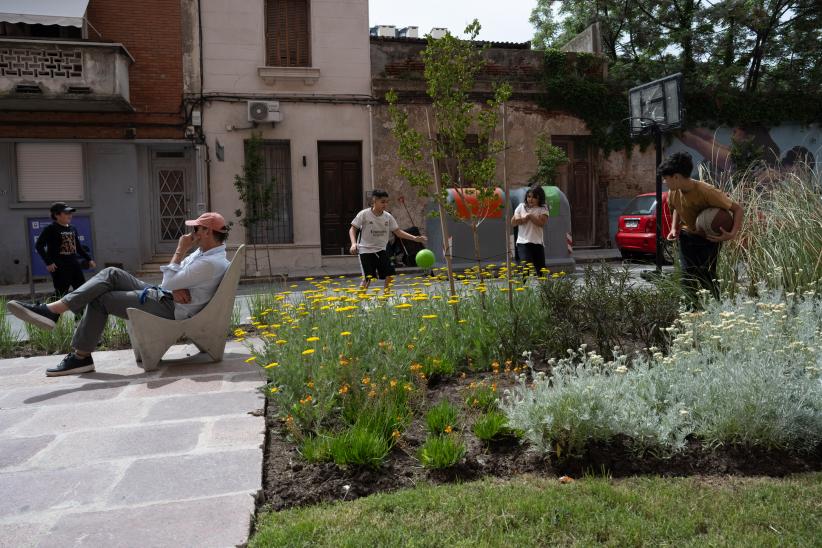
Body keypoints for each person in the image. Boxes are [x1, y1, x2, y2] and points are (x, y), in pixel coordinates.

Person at [7, 212, 231, 377]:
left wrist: (180, 251)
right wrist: (176, 284)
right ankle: (54, 310)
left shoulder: (210, 263)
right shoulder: (205, 254)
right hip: (167, 295)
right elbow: (174, 280)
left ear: (207, 232)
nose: (191, 234)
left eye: (196, 230)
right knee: (112, 274)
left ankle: (80, 355)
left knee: (102, 300)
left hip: (171, 307)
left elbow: (169, 279)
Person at [660, 152, 743, 303]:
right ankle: (691, 312)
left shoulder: (707, 191)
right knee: (687, 277)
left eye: (666, 178)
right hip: (687, 236)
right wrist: (673, 228)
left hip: (709, 239)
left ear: (676, 177)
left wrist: (731, 234)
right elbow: (677, 209)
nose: (664, 182)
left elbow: (738, 209)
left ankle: (716, 311)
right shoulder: (673, 193)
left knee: (707, 276)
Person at [349, 189, 427, 291]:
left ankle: (385, 299)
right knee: (367, 279)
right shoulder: (364, 214)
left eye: (387, 202)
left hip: (382, 250)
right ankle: (358, 304)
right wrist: (353, 244)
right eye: (382, 202)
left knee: (390, 274)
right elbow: (353, 229)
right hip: (365, 250)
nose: (385, 204)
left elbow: (398, 232)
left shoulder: (388, 217)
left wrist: (414, 238)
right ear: (374, 201)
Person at [35, 202, 96, 299]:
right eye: (66, 213)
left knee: (81, 291)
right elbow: (39, 245)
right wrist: (48, 262)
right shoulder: (50, 229)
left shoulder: (72, 228)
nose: (70, 215)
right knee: (61, 292)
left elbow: (78, 247)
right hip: (59, 266)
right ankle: (48, 313)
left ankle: (80, 314)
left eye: (70, 213)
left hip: (74, 264)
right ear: (56, 215)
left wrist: (89, 259)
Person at [511, 185, 550, 277]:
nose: (530, 199)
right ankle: (522, 289)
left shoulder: (543, 208)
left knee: (541, 270)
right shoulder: (521, 206)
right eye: (529, 197)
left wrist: (529, 216)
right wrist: (520, 220)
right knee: (526, 267)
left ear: (539, 198)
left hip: (537, 243)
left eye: (534, 197)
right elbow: (513, 222)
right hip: (523, 242)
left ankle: (544, 289)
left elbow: (541, 223)